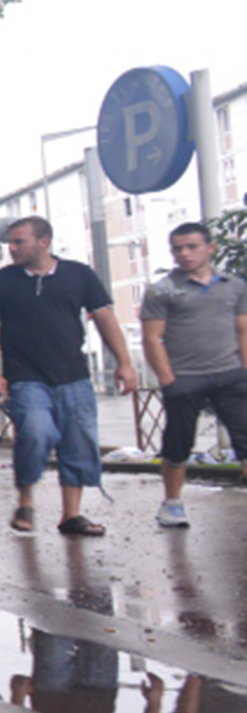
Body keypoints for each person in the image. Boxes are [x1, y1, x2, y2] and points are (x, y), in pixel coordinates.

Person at [0, 215, 137, 536]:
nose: (12, 248)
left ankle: (71, 514)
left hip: (73, 374)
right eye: (10, 242)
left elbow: (105, 318)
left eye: (19, 241)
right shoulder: (1, 281)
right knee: (36, 433)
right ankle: (26, 500)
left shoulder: (79, 274)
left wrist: (124, 362)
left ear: (43, 241)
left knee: (79, 441)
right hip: (25, 376)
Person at [139, 221, 247, 528]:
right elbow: (151, 339)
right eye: (177, 249)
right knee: (178, 444)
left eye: (191, 247)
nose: (184, 254)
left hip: (231, 374)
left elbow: (243, 329)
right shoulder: (162, 290)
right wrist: (168, 379)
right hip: (185, 377)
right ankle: (172, 503)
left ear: (209, 248)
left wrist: (245, 370)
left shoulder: (234, 285)